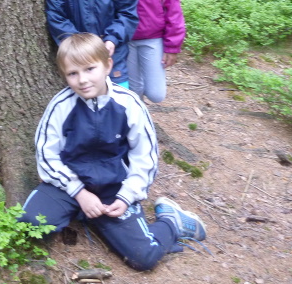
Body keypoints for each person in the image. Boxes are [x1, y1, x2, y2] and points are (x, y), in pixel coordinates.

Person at [19, 33, 207, 271]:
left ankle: (172, 222)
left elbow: (145, 158)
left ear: (107, 65)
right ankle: (80, 211)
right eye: (73, 73)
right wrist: (80, 193)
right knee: (29, 225)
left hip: (112, 189)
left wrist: (126, 196)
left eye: (90, 69)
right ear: (63, 75)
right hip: (67, 185)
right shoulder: (61, 106)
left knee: (144, 257)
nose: (83, 80)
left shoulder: (129, 104)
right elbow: (47, 155)